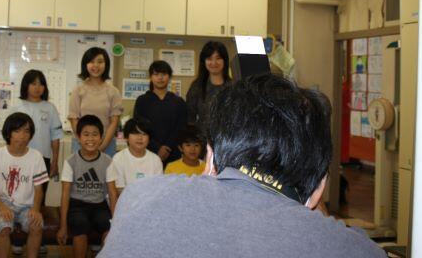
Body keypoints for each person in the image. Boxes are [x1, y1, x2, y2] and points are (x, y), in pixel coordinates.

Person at [100, 74, 386, 257]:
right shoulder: (353, 250)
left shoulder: (138, 196)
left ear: (209, 158)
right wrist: (316, 211)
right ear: (319, 187)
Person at [0, 112, 49, 258]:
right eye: (17, 131)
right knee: (3, 228)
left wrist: (36, 209)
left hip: (27, 206)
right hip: (3, 203)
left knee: (36, 226)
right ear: (8, 133)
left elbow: (39, 189)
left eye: (26, 131)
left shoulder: (36, 156)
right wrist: (2, 207)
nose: (22, 136)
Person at [57, 115, 118, 258]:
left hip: (99, 205)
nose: (90, 139)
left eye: (95, 134)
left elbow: (112, 193)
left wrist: (117, 222)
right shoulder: (70, 161)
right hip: (77, 205)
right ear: (78, 137)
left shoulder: (108, 161)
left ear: (101, 138)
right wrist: (63, 226)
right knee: (80, 228)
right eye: (86, 134)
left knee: (109, 228)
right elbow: (65, 194)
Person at [13, 69, 63, 196]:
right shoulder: (17, 106)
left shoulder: (50, 108)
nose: (37, 87)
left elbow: (55, 137)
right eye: (33, 83)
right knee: (19, 194)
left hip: (43, 159)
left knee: (40, 196)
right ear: (26, 85)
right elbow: (10, 135)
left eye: (41, 84)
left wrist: (55, 162)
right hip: (20, 157)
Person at [68, 47, 123, 157]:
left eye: (100, 61)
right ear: (85, 64)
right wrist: (85, 144)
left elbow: (114, 122)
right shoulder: (78, 90)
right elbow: (74, 120)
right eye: (92, 61)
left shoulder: (113, 91)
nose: (96, 65)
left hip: (106, 145)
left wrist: (102, 146)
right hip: (81, 144)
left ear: (106, 64)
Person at [133, 60, 187, 165]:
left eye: (163, 74)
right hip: (148, 151)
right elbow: (139, 127)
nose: (160, 78)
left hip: (173, 153)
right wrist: (157, 148)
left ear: (169, 77)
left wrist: (167, 147)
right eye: (156, 74)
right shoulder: (142, 101)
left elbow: (181, 128)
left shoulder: (178, 102)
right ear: (150, 77)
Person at [107, 117, 162, 199]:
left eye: (144, 134)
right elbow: (120, 190)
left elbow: (157, 190)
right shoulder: (118, 158)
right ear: (126, 137)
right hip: (126, 202)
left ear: (149, 138)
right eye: (135, 133)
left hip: (149, 202)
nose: (140, 138)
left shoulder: (155, 160)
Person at [186, 41, 231, 138]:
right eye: (209, 58)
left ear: (225, 60)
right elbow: (190, 119)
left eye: (218, 58)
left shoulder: (234, 87)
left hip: (228, 141)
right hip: (202, 141)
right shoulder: (197, 87)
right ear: (204, 61)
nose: (214, 63)